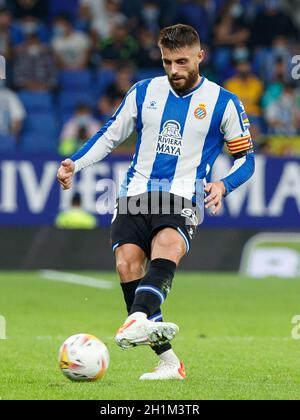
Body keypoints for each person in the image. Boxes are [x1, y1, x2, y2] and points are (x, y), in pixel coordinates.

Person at [57, 24, 255, 381]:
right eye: (167, 62)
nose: (175, 70)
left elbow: (247, 160)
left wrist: (225, 185)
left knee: (166, 247)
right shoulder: (143, 91)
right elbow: (108, 136)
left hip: (183, 193)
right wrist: (76, 163)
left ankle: (136, 320)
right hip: (134, 194)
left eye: (182, 61)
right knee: (127, 266)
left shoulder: (224, 102)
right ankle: (167, 362)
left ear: (200, 56)